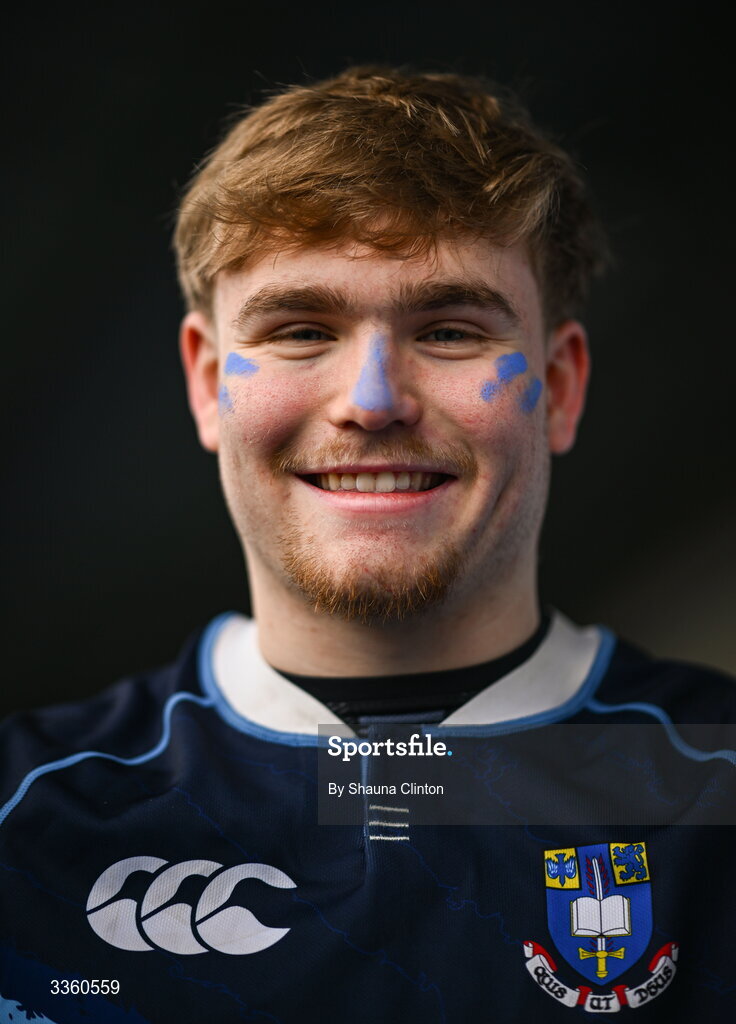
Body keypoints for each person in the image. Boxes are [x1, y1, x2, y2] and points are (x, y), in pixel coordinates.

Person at [1, 66, 734, 1024]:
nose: (373, 401)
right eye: (303, 329)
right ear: (205, 381)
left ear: (558, 388)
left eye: (450, 329)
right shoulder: (25, 818)